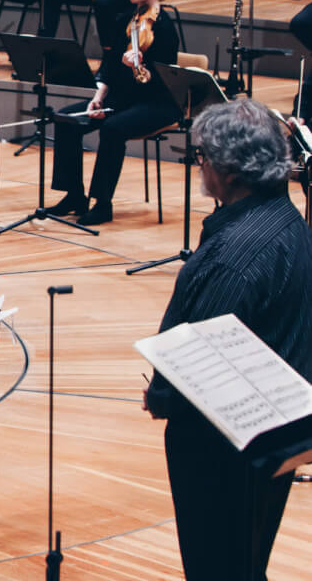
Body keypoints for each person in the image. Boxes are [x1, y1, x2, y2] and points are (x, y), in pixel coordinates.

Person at [143, 97, 312, 581]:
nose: (199, 166)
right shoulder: (286, 216)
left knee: (217, 566)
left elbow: (196, 359)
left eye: (202, 157)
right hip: (274, 432)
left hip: (224, 447)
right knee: (245, 560)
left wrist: (160, 396)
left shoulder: (233, 258)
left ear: (230, 172)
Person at [48, 0, 180, 226]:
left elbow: (164, 80)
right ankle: (74, 195)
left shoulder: (165, 28)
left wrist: (142, 66)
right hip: (123, 98)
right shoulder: (127, 19)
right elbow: (109, 65)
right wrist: (98, 98)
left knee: (113, 128)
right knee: (66, 119)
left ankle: (102, 203)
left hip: (157, 103)